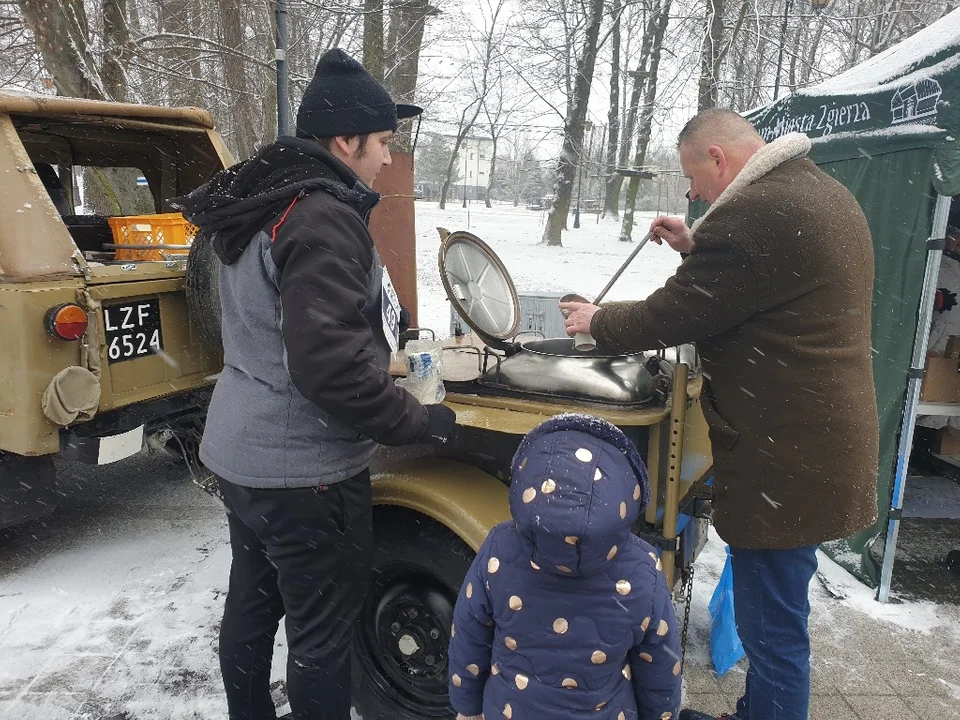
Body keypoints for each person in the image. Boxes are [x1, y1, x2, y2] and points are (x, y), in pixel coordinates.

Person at [560, 108, 880, 720]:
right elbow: (758, 284)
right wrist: (693, 245)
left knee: (774, 631)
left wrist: (597, 322)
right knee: (779, 616)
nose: (693, 195)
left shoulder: (758, 215)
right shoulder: (816, 189)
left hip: (783, 458)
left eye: (693, 180)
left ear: (718, 159)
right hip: (817, 443)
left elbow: (673, 316)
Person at [177, 49, 457, 720]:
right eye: (383, 142)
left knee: (252, 603)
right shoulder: (320, 214)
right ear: (344, 140)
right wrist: (416, 423)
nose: (388, 159)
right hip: (304, 470)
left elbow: (279, 333)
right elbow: (326, 365)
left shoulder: (257, 203)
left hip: (241, 452)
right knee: (322, 636)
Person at [447, 413, 682, 720]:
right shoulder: (643, 569)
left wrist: (467, 708)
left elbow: (468, 634)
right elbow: (661, 667)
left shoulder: (499, 549)